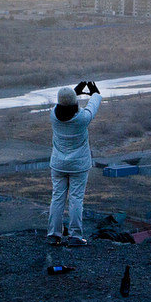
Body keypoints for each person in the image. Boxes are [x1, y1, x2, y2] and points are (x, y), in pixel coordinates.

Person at [46, 80, 101, 246]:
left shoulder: (53, 116)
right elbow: (93, 105)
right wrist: (95, 93)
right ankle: (75, 236)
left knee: (57, 198)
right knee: (76, 199)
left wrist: (73, 92)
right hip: (78, 165)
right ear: (74, 104)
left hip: (58, 164)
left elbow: (61, 104)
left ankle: (53, 235)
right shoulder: (82, 119)